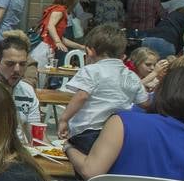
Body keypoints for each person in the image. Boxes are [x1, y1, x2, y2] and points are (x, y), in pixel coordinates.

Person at [57, 23, 150, 153]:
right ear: (122, 54)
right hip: (118, 133)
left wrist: (64, 119)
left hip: (87, 131)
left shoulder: (91, 70)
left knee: (77, 156)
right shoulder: (131, 76)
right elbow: (145, 103)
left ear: (90, 51)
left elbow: (82, 96)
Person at [0, 32, 41, 135]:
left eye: (22, 64)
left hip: (20, 144)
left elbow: (35, 134)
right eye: (10, 64)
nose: (17, 69)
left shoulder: (27, 91)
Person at [31, 0, 85, 70]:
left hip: (45, 48)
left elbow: (61, 38)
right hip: (44, 48)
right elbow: (50, 26)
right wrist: (57, 42)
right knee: (40, 73)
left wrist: (80, 46)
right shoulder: (60, 10)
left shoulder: (56, 9)